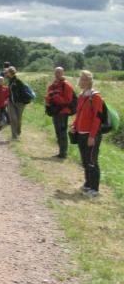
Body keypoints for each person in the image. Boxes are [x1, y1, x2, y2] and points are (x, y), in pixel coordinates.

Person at [70, 70, 104, 198]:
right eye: (81, 79)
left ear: (90, 81)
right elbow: (79, 114)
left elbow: (97, 118)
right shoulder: (81, 95)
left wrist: (92, 136)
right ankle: (88, 184)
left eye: (85, 79)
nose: (82, 81)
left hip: (92, 135)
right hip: (81, 133)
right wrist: (74, 125)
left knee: (92, 161)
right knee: (85, 161)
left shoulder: (95, 97)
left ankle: (95, 189)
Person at [45, 66, 75, 159]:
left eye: (59, 72)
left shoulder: (66, 85)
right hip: (55, 111)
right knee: (58, 132)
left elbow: (68, 100)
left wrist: (55, 96)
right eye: (56, 72)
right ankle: (61, 152)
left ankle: (63, 153)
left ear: (63, 73)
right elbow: (47, 96)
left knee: (62, 132)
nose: (57, 74)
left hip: (63, 112)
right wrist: (49, 99)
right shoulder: (53, 85)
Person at [5, 66, 27, 140]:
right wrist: (8, 98)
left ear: (10, 72)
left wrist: (23, 102)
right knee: (13, 118)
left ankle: (18, 132)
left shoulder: (18, 81)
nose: (6, 73)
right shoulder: (10, 80)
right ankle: (14, 136)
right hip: (11, 103)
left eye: (7, 72)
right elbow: (10, 92)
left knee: (18, 119)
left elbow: (23, 92)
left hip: (20, 103)